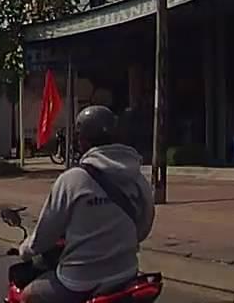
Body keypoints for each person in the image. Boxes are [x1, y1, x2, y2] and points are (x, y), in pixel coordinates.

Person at [19, 105, 155, 303]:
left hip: (79, 280)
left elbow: (45, 234)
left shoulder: (72, 180)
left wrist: (25, 250)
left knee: (27, 295)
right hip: (125, 274)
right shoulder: (137, 177)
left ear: (82, 140)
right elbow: (144, 225)